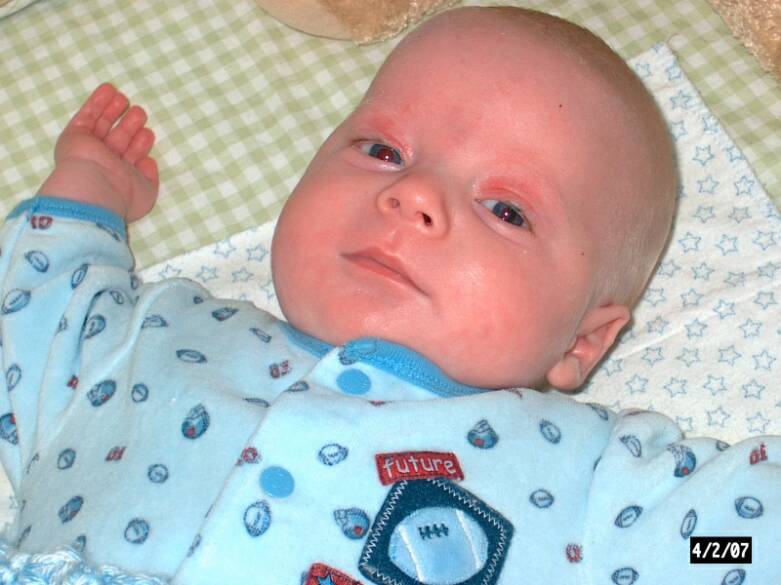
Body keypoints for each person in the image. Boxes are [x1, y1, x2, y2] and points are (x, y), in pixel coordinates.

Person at [0, 6, 776, 585]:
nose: (413, 195)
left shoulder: (586, 481)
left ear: (582, 341)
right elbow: (42, 317)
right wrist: (86, 190)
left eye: (505, 210)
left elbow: (730, 540)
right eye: (382, 150)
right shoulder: (162, 336)